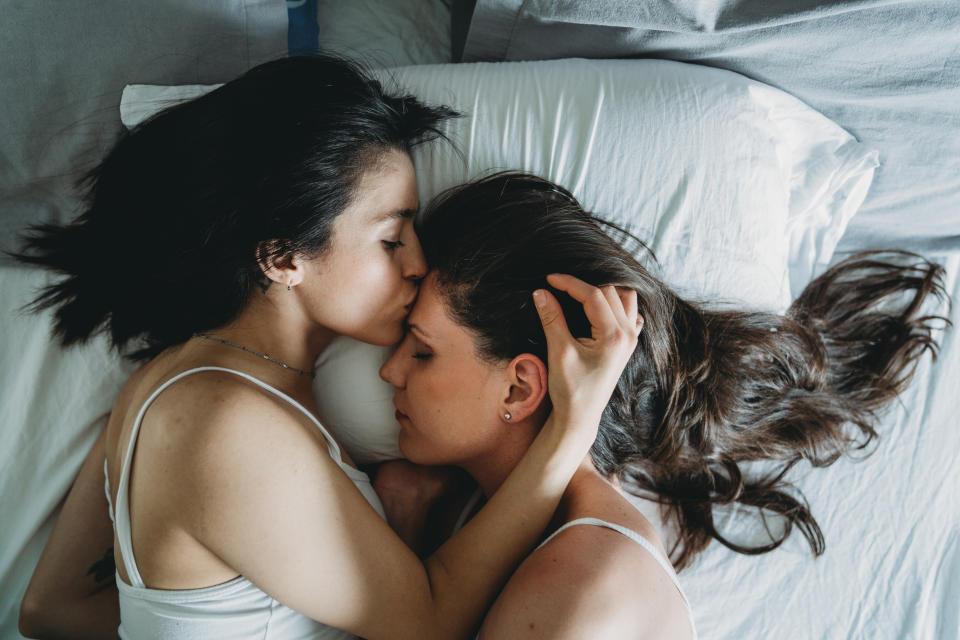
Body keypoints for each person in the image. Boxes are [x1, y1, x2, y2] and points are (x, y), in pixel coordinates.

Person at [13, 57, 641, 640]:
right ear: (283, 257)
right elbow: (429, 619)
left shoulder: (163, 381)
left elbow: (52, 610)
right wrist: (572, 426)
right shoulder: (225, 423)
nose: (420, 263)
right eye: (392, 239)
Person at [376, 172, 948, 639]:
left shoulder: (586, 587)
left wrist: (404, 529)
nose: (388, 370)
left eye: (422, 352)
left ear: (520, 389)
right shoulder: (485, 514)